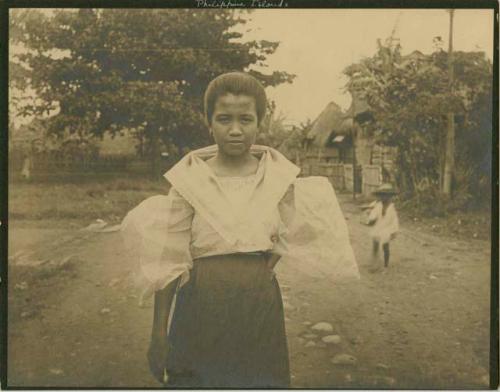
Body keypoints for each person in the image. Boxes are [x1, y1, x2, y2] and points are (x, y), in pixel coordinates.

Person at [121, 72, 359, 388]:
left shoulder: (278, 179)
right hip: (201, 305)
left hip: (258, 306)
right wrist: (158, 334)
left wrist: (261, 265)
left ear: (260, 122)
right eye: (224, 119)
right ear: (209, 122)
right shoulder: (189, 183)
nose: (235, 129)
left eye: (246, 119)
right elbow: (167, 264)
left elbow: (288, 233)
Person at [367, 183, 399, 270]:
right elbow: (373, 216)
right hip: (378, 227)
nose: (384, 198)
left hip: (387, 228)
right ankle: (374, 263)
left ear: (390, 197)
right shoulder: (378, 206)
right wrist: (371, 220)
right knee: (375, 246)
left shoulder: (391, 208)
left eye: (386, 196)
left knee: (385, 246)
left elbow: (394, 221)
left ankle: (385, 264)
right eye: (382, 195)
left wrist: (393, 231)